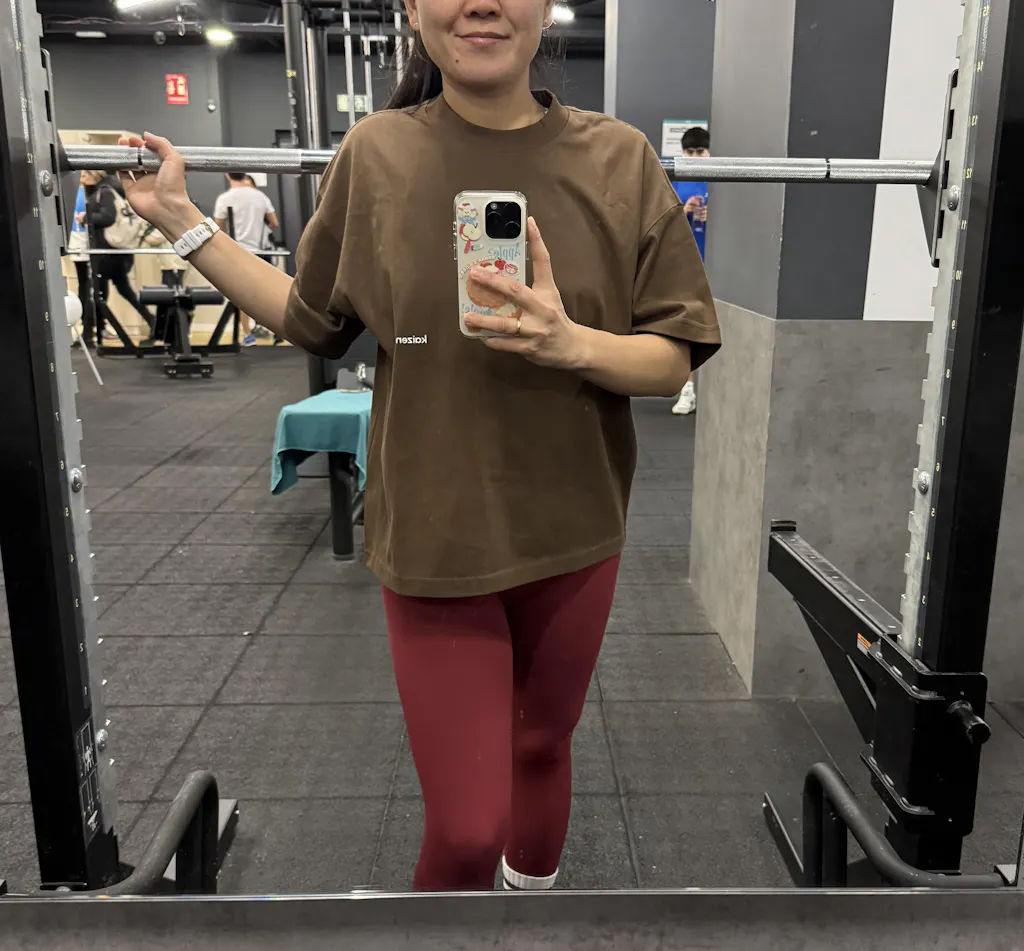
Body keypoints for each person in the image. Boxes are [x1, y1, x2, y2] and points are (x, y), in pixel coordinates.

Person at [119, 0, 720, 893]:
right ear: (411, 5)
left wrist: (572, 344)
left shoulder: (619, 158)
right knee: (469, 828)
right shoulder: (378, 154)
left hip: (577, 525)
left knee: (543, 746)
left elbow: (671, 357)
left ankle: (529, 913)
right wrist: (180, 220)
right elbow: (309, 317)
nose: (480, 4)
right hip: (435, 533)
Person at [80, 170, 156, 344]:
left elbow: (108, 217)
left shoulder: (105, 192)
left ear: (94, 175)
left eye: (85, 175)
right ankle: (151, 320)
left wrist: (86, 217)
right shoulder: (112, 189)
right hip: (117, 251)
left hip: (107, 252)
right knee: (120, 290)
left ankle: (89, 334)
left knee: (98, 293)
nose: (82, 179)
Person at [670, 126, 711, 416]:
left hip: (716, 268)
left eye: (700, 151)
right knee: (687, 328)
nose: (695, 157)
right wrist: (684, 212)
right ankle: (688, 388)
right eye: (690, 152)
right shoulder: (676, 182)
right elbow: (664, 223)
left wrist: (713, 216)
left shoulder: (719, 181)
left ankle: (710, 389)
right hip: (685, 266)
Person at [213, 173, 279, 346]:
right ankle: (274, 329)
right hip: (261, 251)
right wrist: (262, 231)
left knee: (242, 296)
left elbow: (218, 227)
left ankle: (248, 335)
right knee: (266, 293)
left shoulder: (225, 198)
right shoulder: (260, 196)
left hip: (239, 253)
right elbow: (274, 222)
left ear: (227, 176)